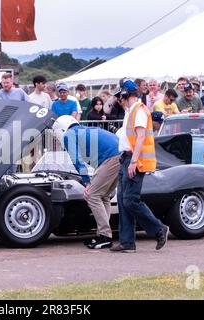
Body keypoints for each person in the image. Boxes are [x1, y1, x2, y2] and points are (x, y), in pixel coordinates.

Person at [110, 80, 169, 253]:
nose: (119, 100)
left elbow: (141, 137)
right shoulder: (131, 111)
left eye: (121, 96)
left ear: (126, 95)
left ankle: (158, 229)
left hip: (135, 160)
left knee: (130, 200)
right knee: (123, 200)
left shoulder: (139, 111)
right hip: (126, 158)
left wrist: (134, 161)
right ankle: (127, 242)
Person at [52, 115, 121, 249]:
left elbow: (77, 161)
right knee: (103, 196)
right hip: (121, 156)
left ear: (60, 129)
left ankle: (105, 236)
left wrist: (86, 182)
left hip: (111, 158)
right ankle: (103, 234)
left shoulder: (69, 135)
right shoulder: (84, 130)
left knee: (92, 195)